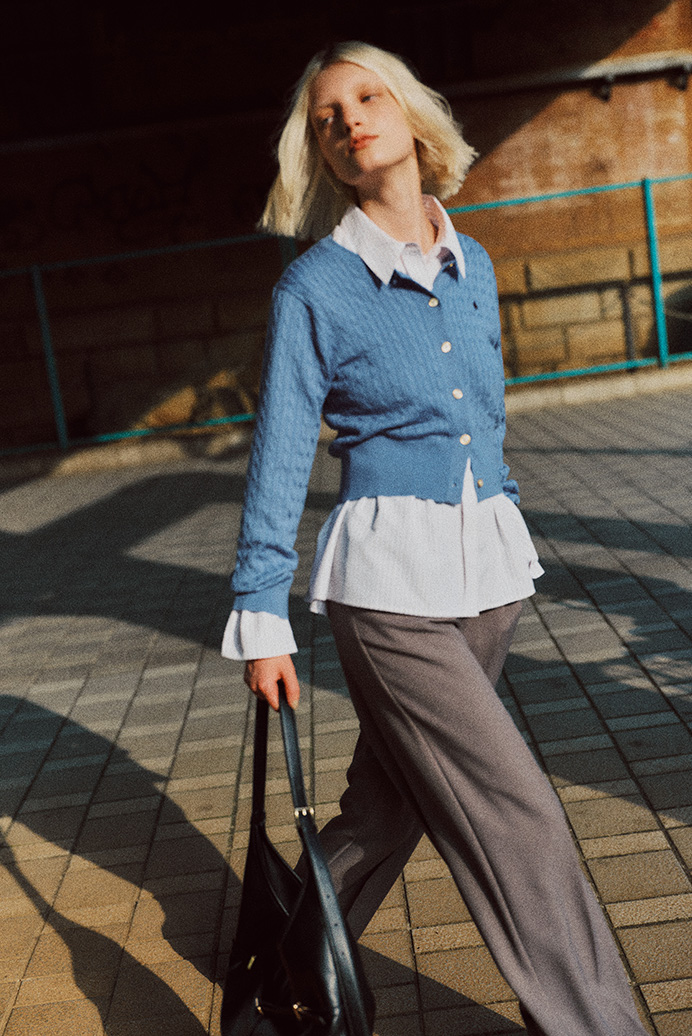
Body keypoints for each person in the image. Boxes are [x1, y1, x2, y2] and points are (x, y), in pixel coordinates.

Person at [222, 40, 648, 1036]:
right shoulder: (314, 289)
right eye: (327, 117)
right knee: (516, 812)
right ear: (319, 154)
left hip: (486, 579)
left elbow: (482, 422)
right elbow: (279, 454)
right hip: (389, 593)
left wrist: (501, 519)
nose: (348, 121)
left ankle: (286, 970)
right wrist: (260, 614)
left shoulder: (474, 262)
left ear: (411, 117)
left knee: (386, 810)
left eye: (367, 98)